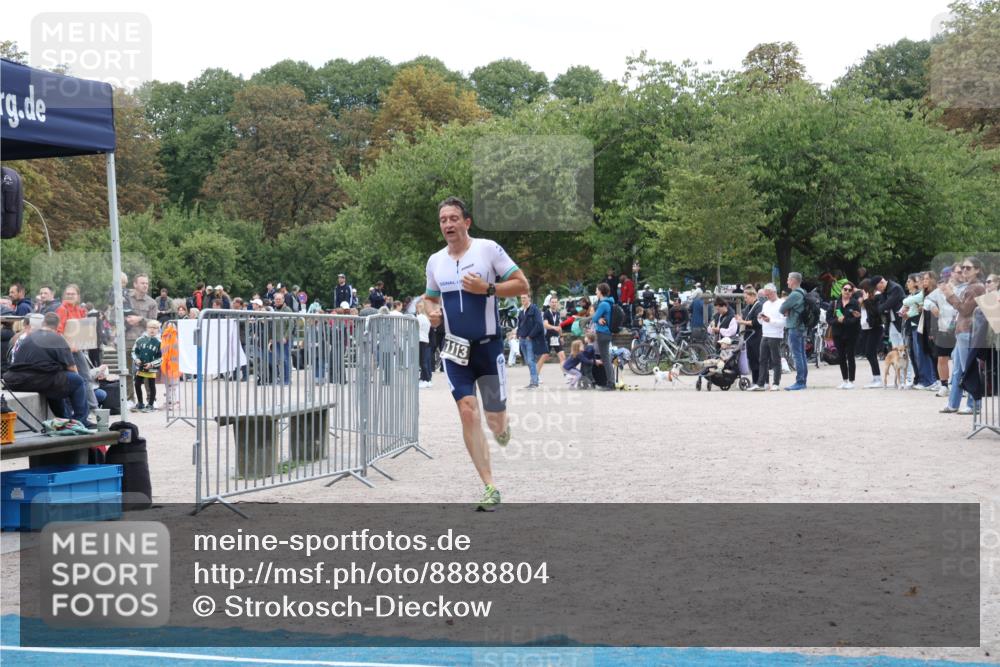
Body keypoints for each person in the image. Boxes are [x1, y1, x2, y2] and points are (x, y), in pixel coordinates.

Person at [423, 196, 529, 510]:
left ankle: (502, 427)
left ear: (466, 222)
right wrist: (432, 312)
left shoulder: (488, 250)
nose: (448, 224)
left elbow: (522, 284)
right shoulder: (435, 261)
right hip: (455, 350)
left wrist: (488, 289)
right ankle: (489, 486)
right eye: (443, 220)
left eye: (453, 218)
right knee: (468, 411)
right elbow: (429, 298)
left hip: (488, 347)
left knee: (495, 421)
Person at [3, 312, 90, 424]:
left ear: (43, 323)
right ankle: (81, 420)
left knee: (56, 382)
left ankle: (64, 419)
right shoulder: (57, 338)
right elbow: (72, 368)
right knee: (77, 381)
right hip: (40, 379)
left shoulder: (28, 337)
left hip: (17, 380)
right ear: (57, 326)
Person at [940, 256, 986, 414]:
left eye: (968, 268)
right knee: (958, 370)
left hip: (969, 331)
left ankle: (974, 405)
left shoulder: (976, 287)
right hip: (963, 331)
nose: (964, 270)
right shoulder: (970, 286)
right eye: (963, 268)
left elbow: (965, 310)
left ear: (977, 270)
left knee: (969, 369)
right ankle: (953, 403)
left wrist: (950, 295)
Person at [124, 274, 159, 405]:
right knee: (127, 371)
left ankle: (151, 399)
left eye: (147, 283)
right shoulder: (126, 299)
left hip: (145, 341)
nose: (145, 285)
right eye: (142, 283)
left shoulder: (152, 303)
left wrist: (140, 319)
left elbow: (154, 323)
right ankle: (129, 399)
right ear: (135, 284)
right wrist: (127, 320)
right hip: (127, 339)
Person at [750, 283, 785, 391]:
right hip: (765, 334)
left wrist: (770, 320)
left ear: (774, 292)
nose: (767, 297)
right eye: (766, 295)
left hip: (775, 334)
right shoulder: (765, 304)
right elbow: (761, 322)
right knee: (762, 359)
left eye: (768, 294)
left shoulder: (781, 304)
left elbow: (783, 322)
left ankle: (776, 383)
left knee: (775, 359)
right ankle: (761, 383)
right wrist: (760, 318)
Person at [827, 281, 861, 388]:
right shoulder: (835, 303)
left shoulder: (855, 303)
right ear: (841, 290)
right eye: (845, 289)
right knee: (841, 357)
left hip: (851, 334)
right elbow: (829, 319)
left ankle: (851, 381)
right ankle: (845, 380)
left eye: (849, 290)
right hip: (838, 334)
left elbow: (856, 319)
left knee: (850, 356)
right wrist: (838, 321)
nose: (847, 291)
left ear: (852, 292)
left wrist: (845, 320)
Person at [779, 272, 808, 390]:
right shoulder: (803, 292)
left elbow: (782, 308)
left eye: (788, 279)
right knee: (802, 354)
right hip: (802, 327)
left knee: (797, 355)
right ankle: (803, 380)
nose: (787, 282)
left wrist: (787, 310)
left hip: (795, 327)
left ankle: (800, 381)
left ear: (793, 281)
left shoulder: (794, 294)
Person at [858, 279, 884, 388]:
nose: (861, 292)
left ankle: (878, 378)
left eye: (862, 289)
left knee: (870, 352)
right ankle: (875, 377)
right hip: (866, 328)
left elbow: (875, 311)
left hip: (875, 327)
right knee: (869, 352)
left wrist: (866, 300)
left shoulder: (877, 296)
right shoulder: (866, 298)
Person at [132, 320, 162, 412]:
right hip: (140, 367)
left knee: (151, 386)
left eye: (155, 328)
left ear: (158, 329)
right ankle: (140, 403)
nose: (152, 330)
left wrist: (152, 364)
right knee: (137, 384)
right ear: (147, 328)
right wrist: (136, 359)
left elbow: (162, 357)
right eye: (150, 327)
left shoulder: (160, 342)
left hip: (151, 368)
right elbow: (134, 352)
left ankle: (150, 404)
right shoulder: (140, 340)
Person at [516, 293, 544, 389]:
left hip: (530, 339)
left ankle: (534, 382)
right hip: (522, 339)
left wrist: (530, 336)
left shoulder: (534, 309)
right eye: (521, 298)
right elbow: (519, 324)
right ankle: (534, 380)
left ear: (529, 298)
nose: (523, 300)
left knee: (531, 360)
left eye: (524, 298)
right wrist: (518, 335)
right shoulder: (521, 311)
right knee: (528, 361)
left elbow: (539, 324)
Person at [736, 286, 764, 383]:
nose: (745, 300)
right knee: (752, 360)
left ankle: (761, 381)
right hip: (749, 337)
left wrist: (743, 322)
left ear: (752, 296)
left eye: (746, 297)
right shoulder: (748, 307)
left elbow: (757, 322)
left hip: (757, 336)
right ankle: (755, 381)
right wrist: (740, 318)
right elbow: (745, 317)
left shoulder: (759, 306)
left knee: (758, 359)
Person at [593, 283, 615, 390]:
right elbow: (597, 318)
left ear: (601, 291)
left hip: (602, 333)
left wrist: (597, 319)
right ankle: (611, 382)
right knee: (606, 358)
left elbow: (594, 318)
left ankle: (611, 383)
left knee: (605, 359)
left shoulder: (603, 304)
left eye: (597, 290)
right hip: (606, 333)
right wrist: (599, 319)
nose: (596, 292)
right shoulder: (608, 302)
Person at [543, 296, 566, 365]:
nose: (554, 304)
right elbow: (545, 325)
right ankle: (535, 371)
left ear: (557, 303)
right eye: (552, 302)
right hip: (548, 337)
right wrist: (554, 327)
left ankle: (566, 370)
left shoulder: (558, 313)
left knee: (562, 356)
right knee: (544, 357)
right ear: (549, 303)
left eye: (555, 302)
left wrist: (561, 336)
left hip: (556, 338)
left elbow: (559, 326)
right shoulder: (546, 313)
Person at [416, 300, 433, 388]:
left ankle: (426, 380)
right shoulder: (427, 318)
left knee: (422, 362)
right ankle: (425, 379)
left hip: (420, 340)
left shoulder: (419, 317)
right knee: (424, 361)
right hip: (425, 340)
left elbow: (416, 328)